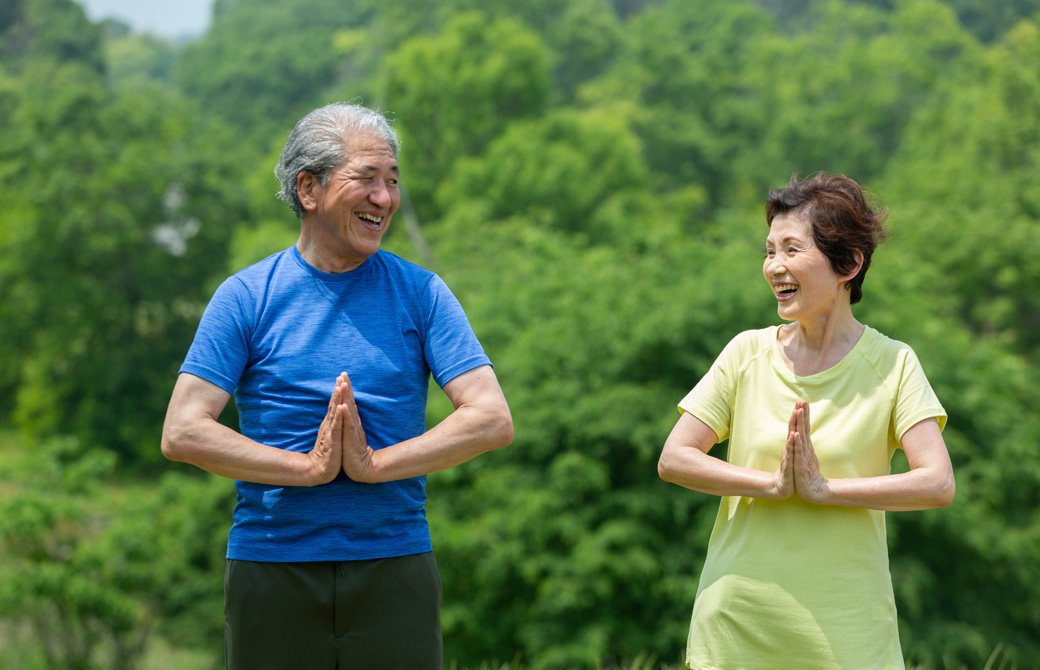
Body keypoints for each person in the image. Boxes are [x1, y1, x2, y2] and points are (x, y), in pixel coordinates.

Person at [161, 102, 514, 670]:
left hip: (395, 565)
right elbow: (182, 431)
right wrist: (306, 469)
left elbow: (492, 419)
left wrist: (374, 464)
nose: (385, 198)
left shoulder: (421, 292)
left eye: (393, 181)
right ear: (308, 189)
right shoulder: (246, 296)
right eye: (367, 179)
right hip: (272, 565)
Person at [657, 172, 955, 669]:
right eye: (769, 251)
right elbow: (675, 458)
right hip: (738, 621)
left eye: (792, 250)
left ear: (849, 264)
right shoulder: (745, 353)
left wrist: (825, 489)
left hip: (848, 630)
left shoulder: (893, 363)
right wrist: (771, 485)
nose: (775, 266)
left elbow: (937, 482)